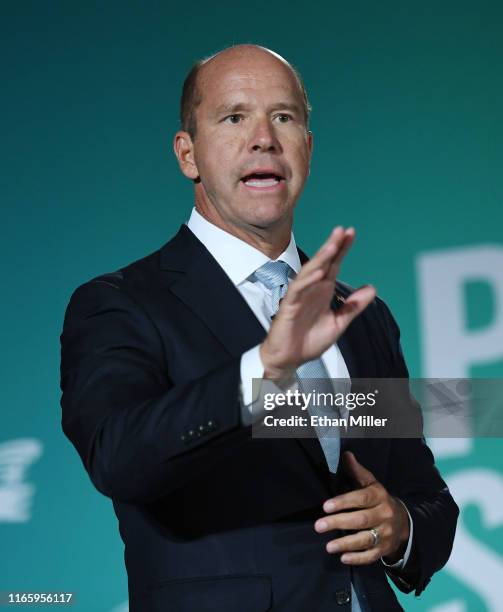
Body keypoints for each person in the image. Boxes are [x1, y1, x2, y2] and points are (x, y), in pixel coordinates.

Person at [59, 44, 458, 611]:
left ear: (308, 150)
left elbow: (427, 496)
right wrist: (266, 369)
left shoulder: (363, 318)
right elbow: (119, 456)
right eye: (234, 116)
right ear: (187, 154)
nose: (264, 137)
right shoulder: (120, 304)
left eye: (284, 117)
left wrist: (400, 528)